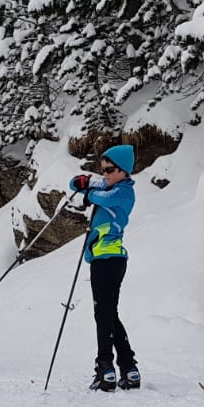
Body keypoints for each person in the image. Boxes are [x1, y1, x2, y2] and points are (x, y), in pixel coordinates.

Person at [70, 144, 139, 392]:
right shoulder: (111, 184)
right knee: (109, 314)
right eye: (103, 170)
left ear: (123, 171)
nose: (105, 174)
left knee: (103, 314)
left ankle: (105, 369)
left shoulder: (124, 192)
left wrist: (88, 189)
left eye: (110, 170)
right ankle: (129, 368)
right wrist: (83, 180)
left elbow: (101, 196)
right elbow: (75, 184)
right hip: (103, 260)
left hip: (108, 260)